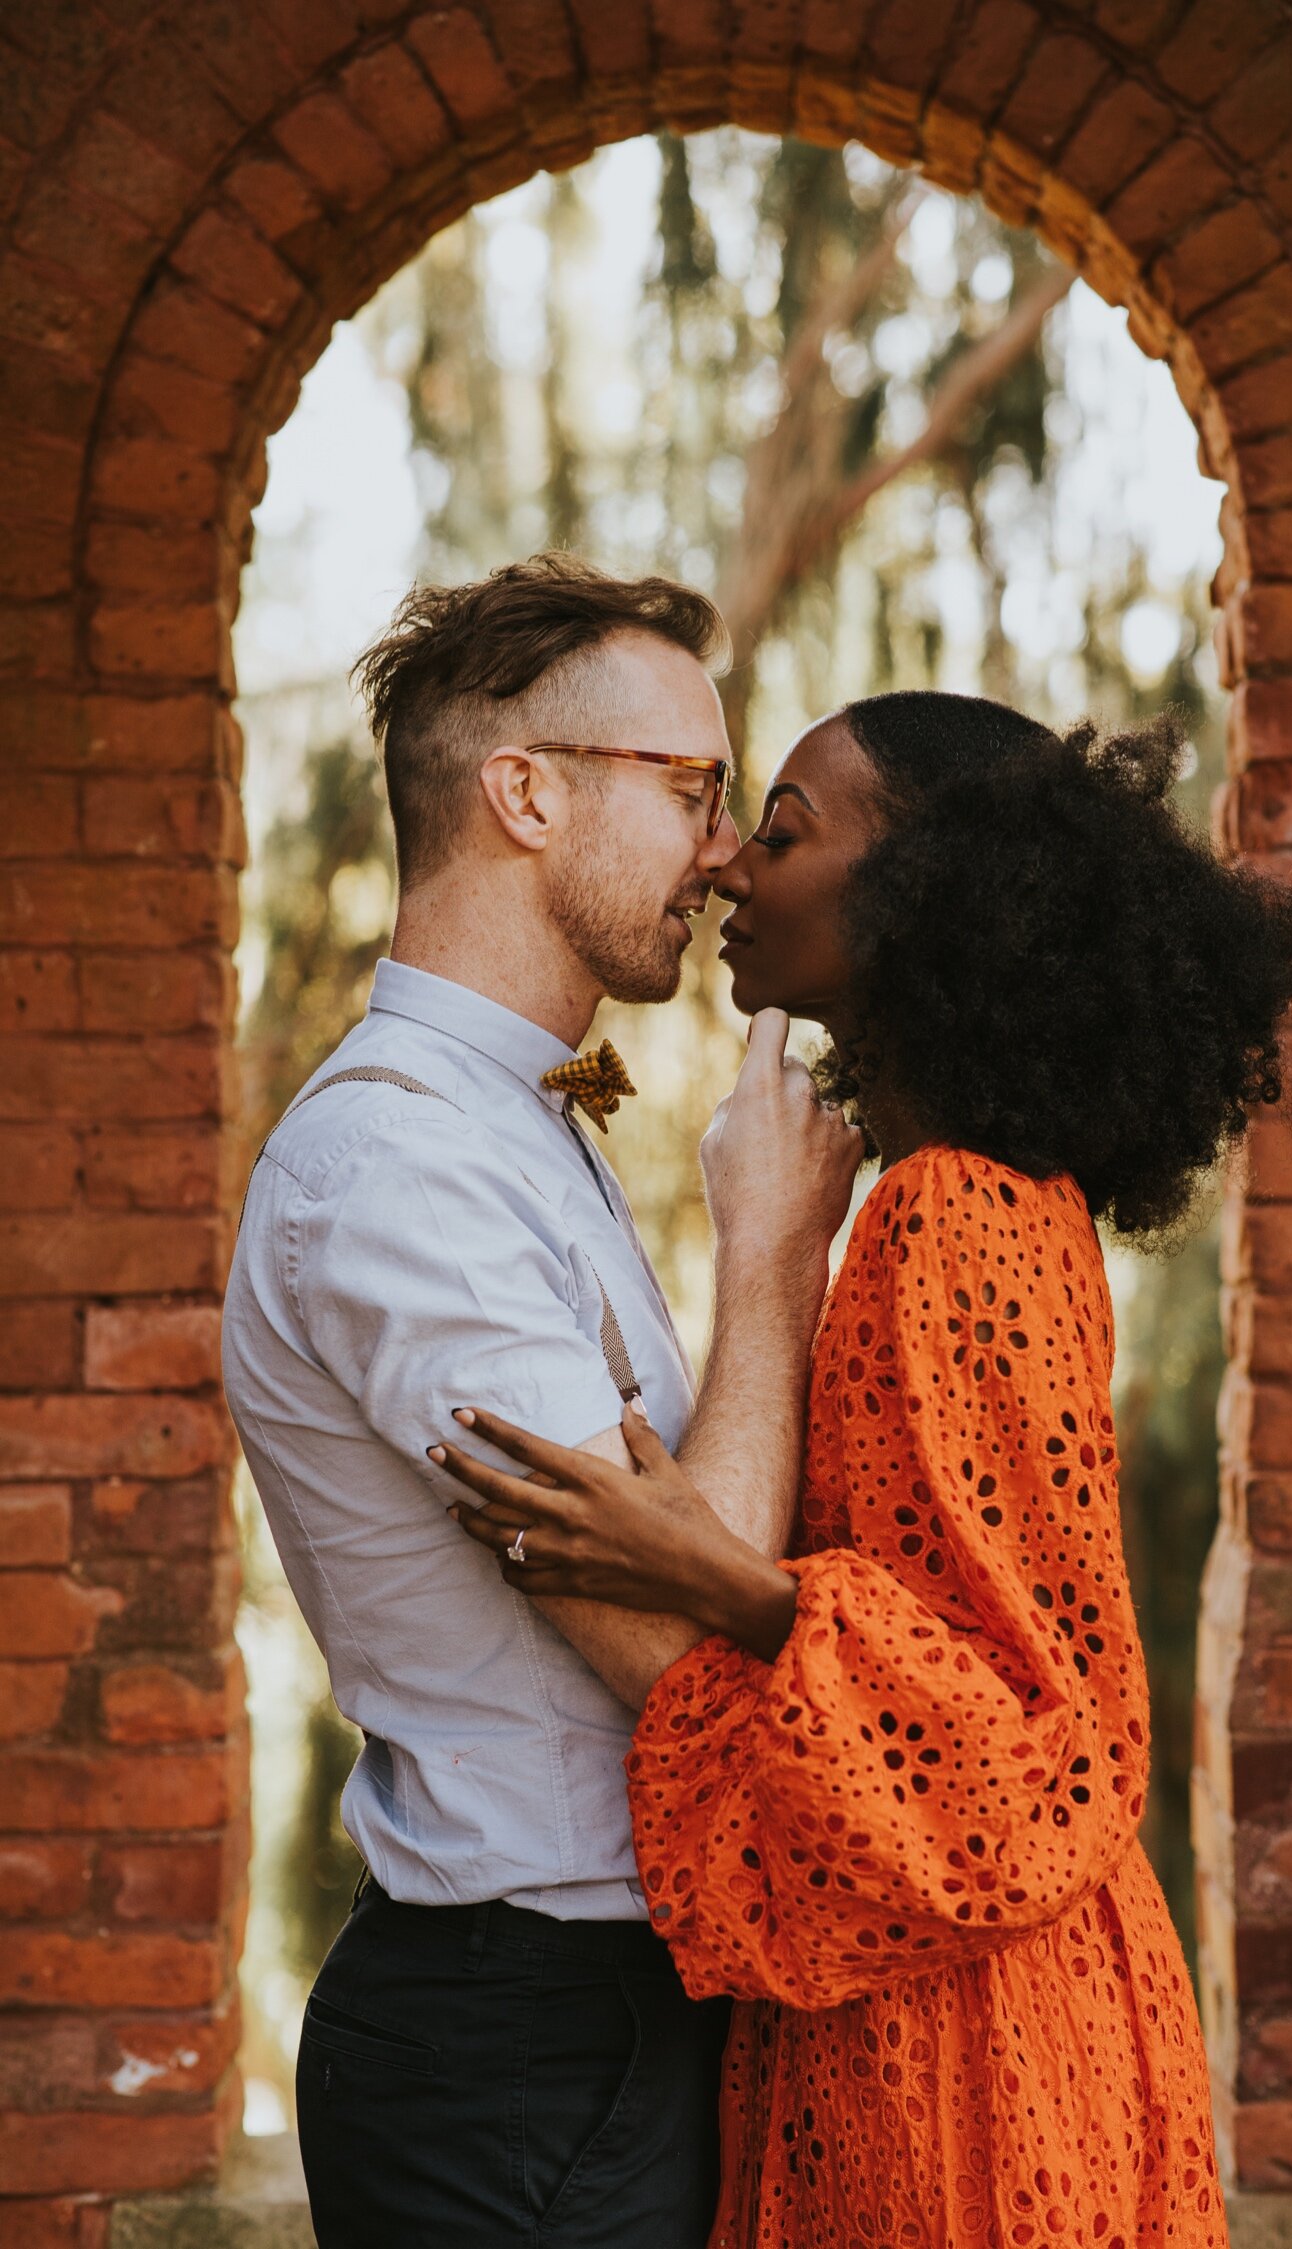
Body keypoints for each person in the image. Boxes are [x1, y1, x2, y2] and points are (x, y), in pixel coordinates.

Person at [433, 690, 1292, 2249]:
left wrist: (705, 1571)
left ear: (929, 888)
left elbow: (1053, 1730)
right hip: (957, 1951)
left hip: (971, 2025)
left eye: (780, 830)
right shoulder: (984, 1202)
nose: (726, 871)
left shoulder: (950, 1221)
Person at [221, 554, 862, 2248]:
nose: (724, 850)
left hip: (606, 2023)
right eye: (692, 789)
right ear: (524, 791)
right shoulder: (396, 1166)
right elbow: (675, 1627)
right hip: (523, 2054)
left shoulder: (514, 1124)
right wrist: (775, 1255)